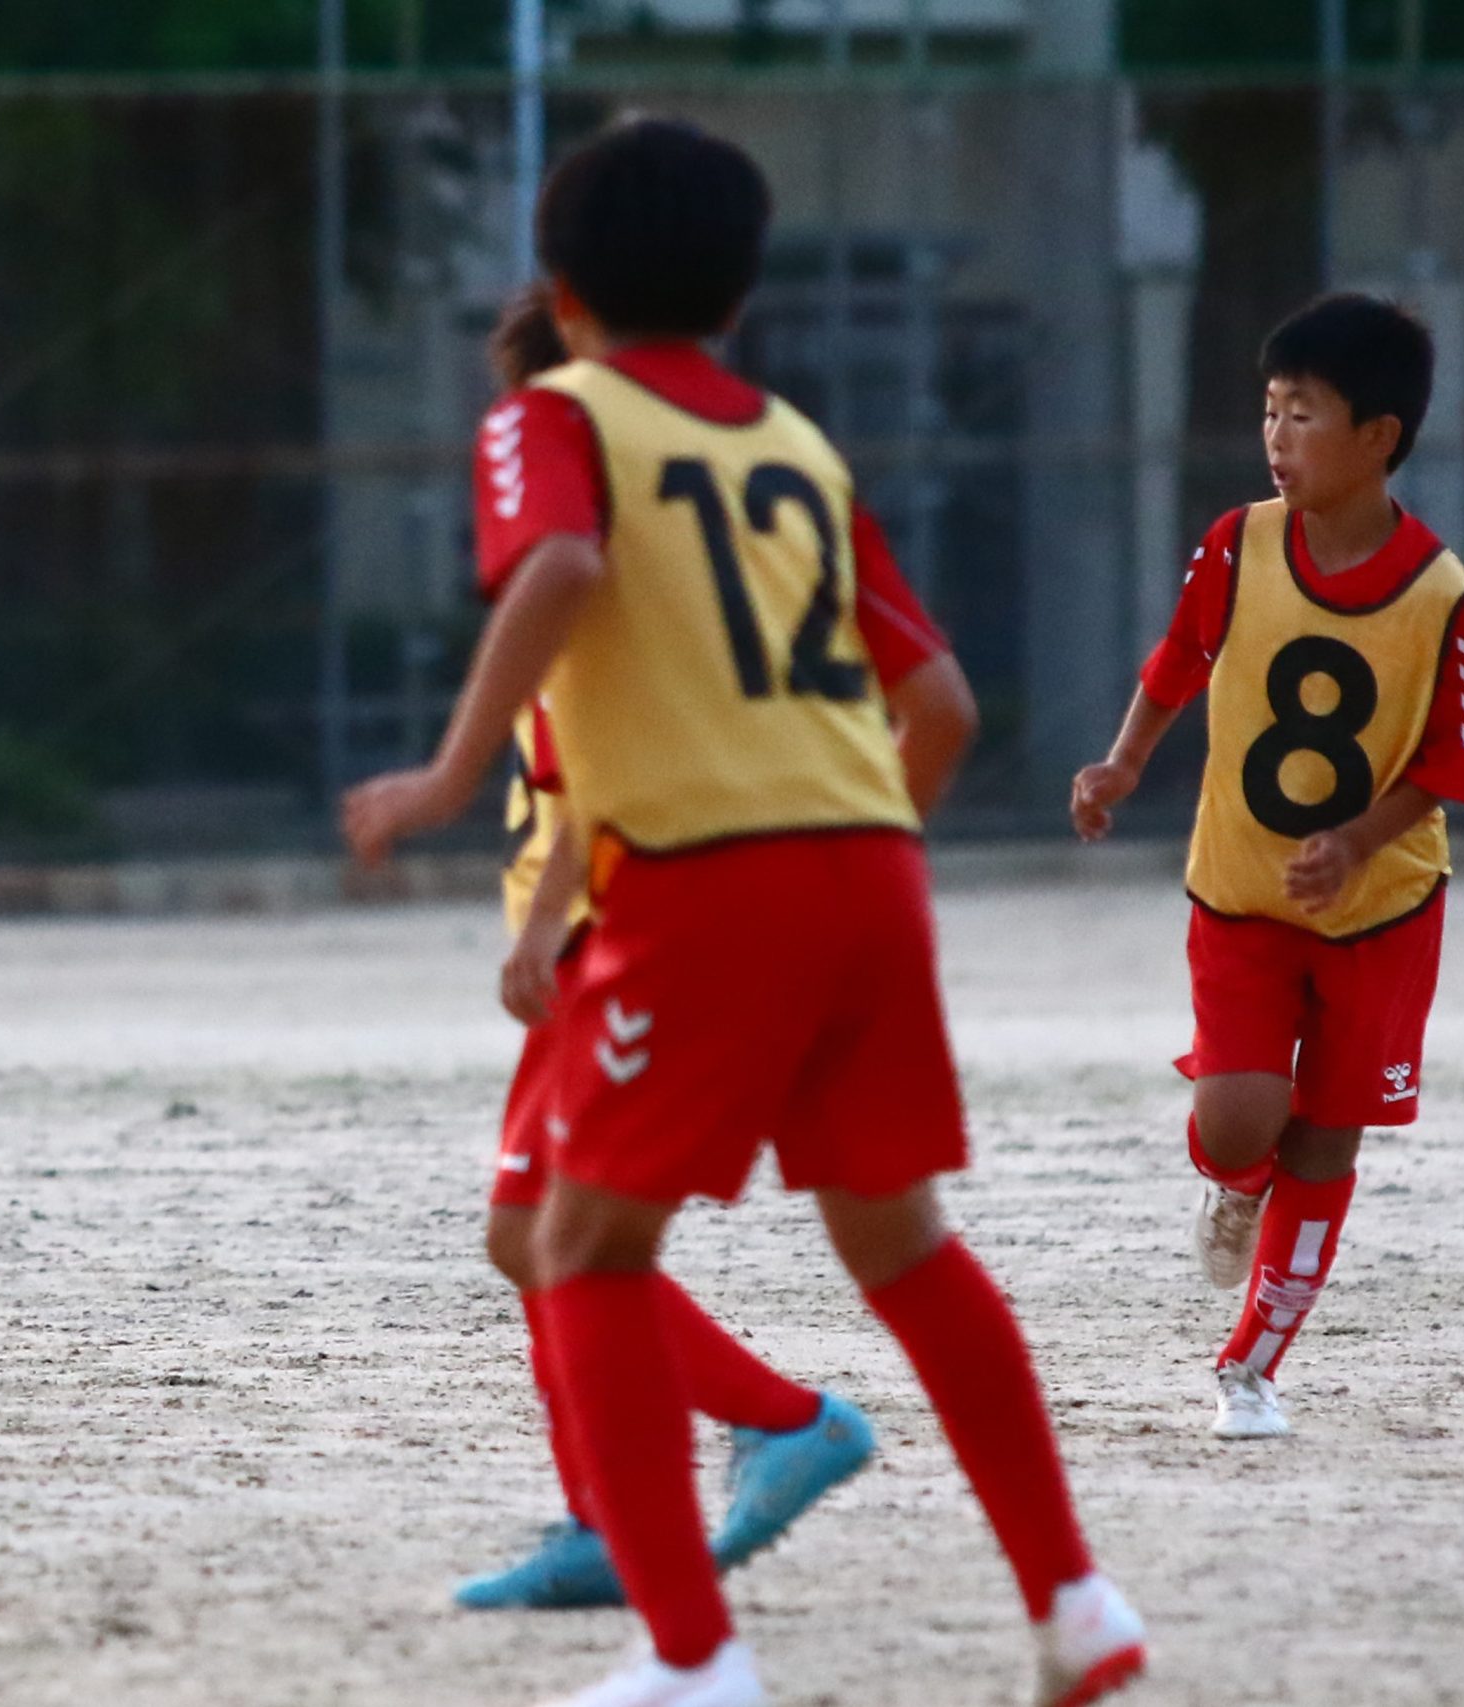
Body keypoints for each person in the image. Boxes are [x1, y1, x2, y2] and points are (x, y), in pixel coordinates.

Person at [344, 119, 1142, 1707]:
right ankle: (1076, 1601)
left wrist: (443, 776)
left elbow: (562, 562)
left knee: (577, 1242)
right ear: (739, 299)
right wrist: (840, 853)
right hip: (869, 862)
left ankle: (694, 1658)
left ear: (562, 296)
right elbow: (945, 703)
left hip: (711, 881)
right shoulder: (794, 442)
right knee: (900, 1238)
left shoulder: (552, 414)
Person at [457, 287, 982, 1613]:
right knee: (543, 1234)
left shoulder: (605, 534)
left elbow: (593, 777)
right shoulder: (621, 528)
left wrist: (541, 918)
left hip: (624, 927)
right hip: (641, 918)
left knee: (545, 1233)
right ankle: (610, 1512)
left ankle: (773, 1423)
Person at [1072, 294, 1464, 1441]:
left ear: (1379, 437)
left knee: (1327, 1136)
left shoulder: (1440, 594)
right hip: (1244, 892)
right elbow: (1177, 657)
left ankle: (1249, 1368)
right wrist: (1120, 765)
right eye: (1267, 412)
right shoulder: (1236, 542)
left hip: (1382, 914)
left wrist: (1359, 838)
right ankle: (1232, 1187)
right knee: (1241, 1121)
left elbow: (1453, 765)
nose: (1274, 437)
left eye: (1301, 415)